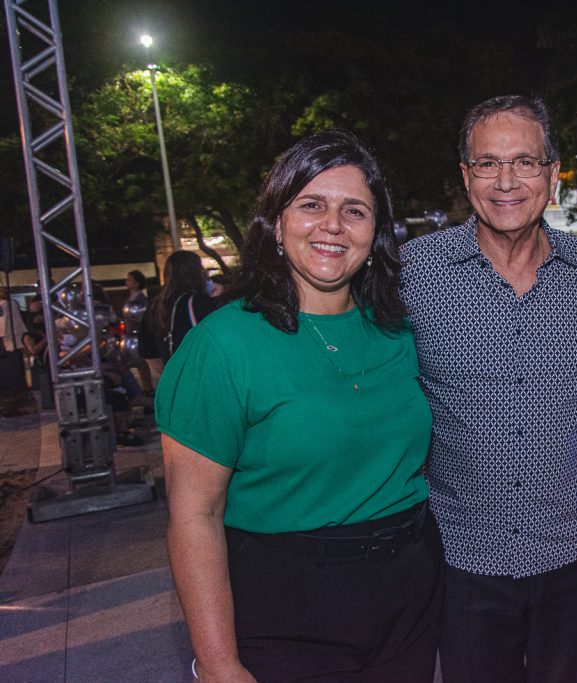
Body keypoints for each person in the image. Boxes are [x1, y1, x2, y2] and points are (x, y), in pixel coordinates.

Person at [157, 129, 441, 681]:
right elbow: (194, 514)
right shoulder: (222, 345)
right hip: (288, 605)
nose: (332, 225)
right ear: (276, 221)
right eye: (312, 205)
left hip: (410, 593)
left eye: (354, 211)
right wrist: (217, 663)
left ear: (375, 232)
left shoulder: (398, 329)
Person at [401, 95, 577, 682]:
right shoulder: (413, 274)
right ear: (465, 176)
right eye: (487, 163)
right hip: (464, 553)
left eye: (525, 162)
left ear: (552, 174)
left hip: (575, 543)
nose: (506, 181)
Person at [149, 251, 218, 362]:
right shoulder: (197, 302)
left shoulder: (156, 305)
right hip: (199, 368)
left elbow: (149, 352)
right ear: (195, 272)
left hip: (174, 370)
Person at [122, 270, 154, 394]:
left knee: (141, 362)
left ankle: (148, 388)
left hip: (138, 333)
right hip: (130, 332)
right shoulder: (131, 298)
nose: (126, 282)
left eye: (129, 280)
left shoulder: (141, 299)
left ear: (136, 283)